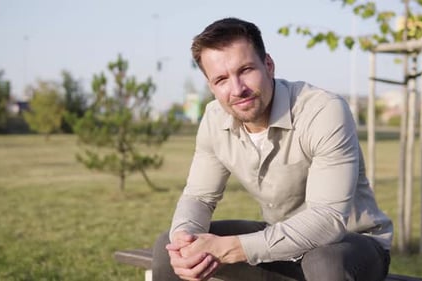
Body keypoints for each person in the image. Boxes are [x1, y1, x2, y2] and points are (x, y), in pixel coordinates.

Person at [152, 17, 393, 281]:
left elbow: (328, 220)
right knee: (169, 248)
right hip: (279, 241)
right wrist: (183, 240)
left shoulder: (323, 111)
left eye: (245, 70)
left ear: (268, 65)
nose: (237, 89)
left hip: (349, 245)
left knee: (324, 262)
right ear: (211, 86)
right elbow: (199, 198)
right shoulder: (214, 119)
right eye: (221, 79)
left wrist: (233, 248)